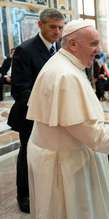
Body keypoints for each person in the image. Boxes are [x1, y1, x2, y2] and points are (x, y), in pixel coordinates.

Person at [26, 20, 109, 219]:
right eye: (93, 44)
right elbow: (92, 135)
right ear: (73, 44)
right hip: (65, 166)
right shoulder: (66, 75)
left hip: (62, 155)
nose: (98, 49)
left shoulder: (63, 64)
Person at [7, 8, 65, 213]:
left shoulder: (60, 48)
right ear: (40, 25)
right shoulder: (26, 50)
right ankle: (24, 195)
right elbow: (20, 89)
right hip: (29, 114)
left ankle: (46, 190)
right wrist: (48, 105)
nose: (57, 32)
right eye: (52, 27)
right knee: (27, 155)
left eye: (60, 27)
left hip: (55, 114)